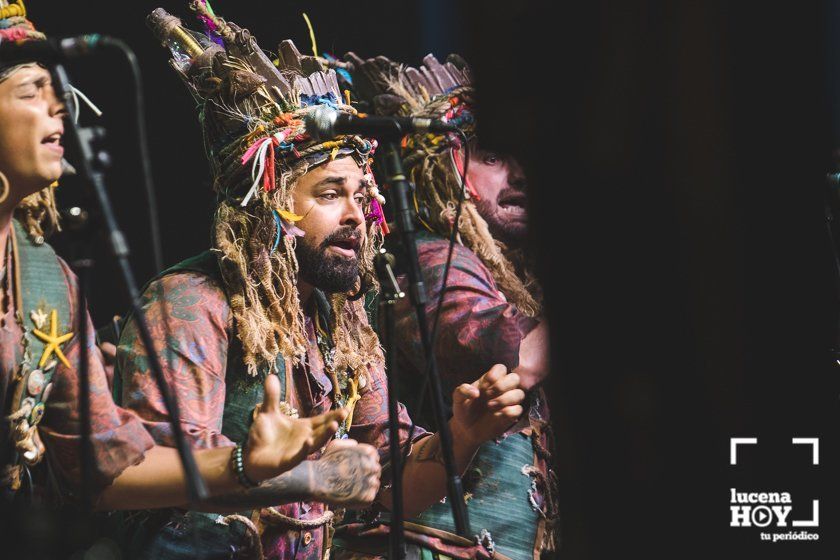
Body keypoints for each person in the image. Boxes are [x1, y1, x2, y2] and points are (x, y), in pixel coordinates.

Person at [114, 5, 527, 559]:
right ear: (269, 205)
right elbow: (130, 473)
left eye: (363, 196)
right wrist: (267, 470)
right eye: (330, 194)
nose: (357, 215)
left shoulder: (342, 322)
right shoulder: (191, 303)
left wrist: (462, 435)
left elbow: (387, 484)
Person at [0, 0, 355, 527]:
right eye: (33, 90)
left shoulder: (47, 280)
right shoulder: (190, 300)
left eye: (58, 90)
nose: (59, 107)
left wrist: (251, 466)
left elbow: (105, 468)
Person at [332, 53, 558, 560]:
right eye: (494, 158)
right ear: (444, 166)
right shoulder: (429, 255)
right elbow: (502, 352)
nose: (519, 175)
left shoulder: (510, 273)